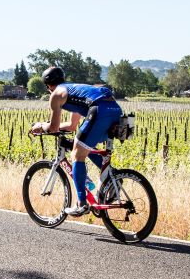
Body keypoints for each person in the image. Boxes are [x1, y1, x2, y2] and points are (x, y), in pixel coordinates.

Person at [30, 66, 123, 216]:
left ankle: (81, 203)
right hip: (116, 111)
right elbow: (71, 126)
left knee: (77, 155)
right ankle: (113, 178)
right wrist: (52, 127)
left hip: (98, 111)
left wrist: (40, 126)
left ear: (48, 85)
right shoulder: (74, 89)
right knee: (83, 146)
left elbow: (53, 127)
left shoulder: (56, 94)